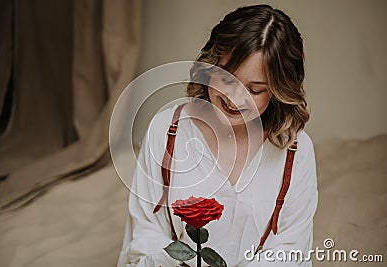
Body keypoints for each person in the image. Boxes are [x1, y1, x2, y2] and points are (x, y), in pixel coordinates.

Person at [118, 4, 318, 267]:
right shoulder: (167, 129)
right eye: (227, 78)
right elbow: (145, 232)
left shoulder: (296, 150)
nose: (234, 98)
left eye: (255, 90)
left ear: (279, 91)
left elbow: (289, 250)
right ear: (211, 66)